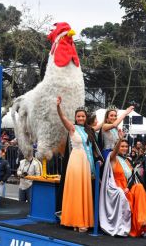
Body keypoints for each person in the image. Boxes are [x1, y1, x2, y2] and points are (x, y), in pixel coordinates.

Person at [99, 129, 146, 237]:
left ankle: (143, 222)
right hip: (118, 188)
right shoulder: (112, 158)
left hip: (128, 188)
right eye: (122, 146)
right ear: (117, 147)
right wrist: (121, 139)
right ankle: (141, 225)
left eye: (126, 147)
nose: (124, 148)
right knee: (133, 192)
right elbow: (114, 151)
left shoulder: (128, 159)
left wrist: (129, 187)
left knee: (140, 187)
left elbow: (133, 177)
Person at [57, 96, 95, 233]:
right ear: (76, 117)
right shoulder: (72, 128)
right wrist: (58, 107)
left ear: (86, 118)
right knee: (75, 191)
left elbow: (102, 126)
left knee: (83, 191)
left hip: (85, 162)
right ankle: (75, 220)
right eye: (78, 116)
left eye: (83, 116)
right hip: (75, 161)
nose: (80, 118)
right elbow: (62, 119)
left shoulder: (88, 130)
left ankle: (82, 220)